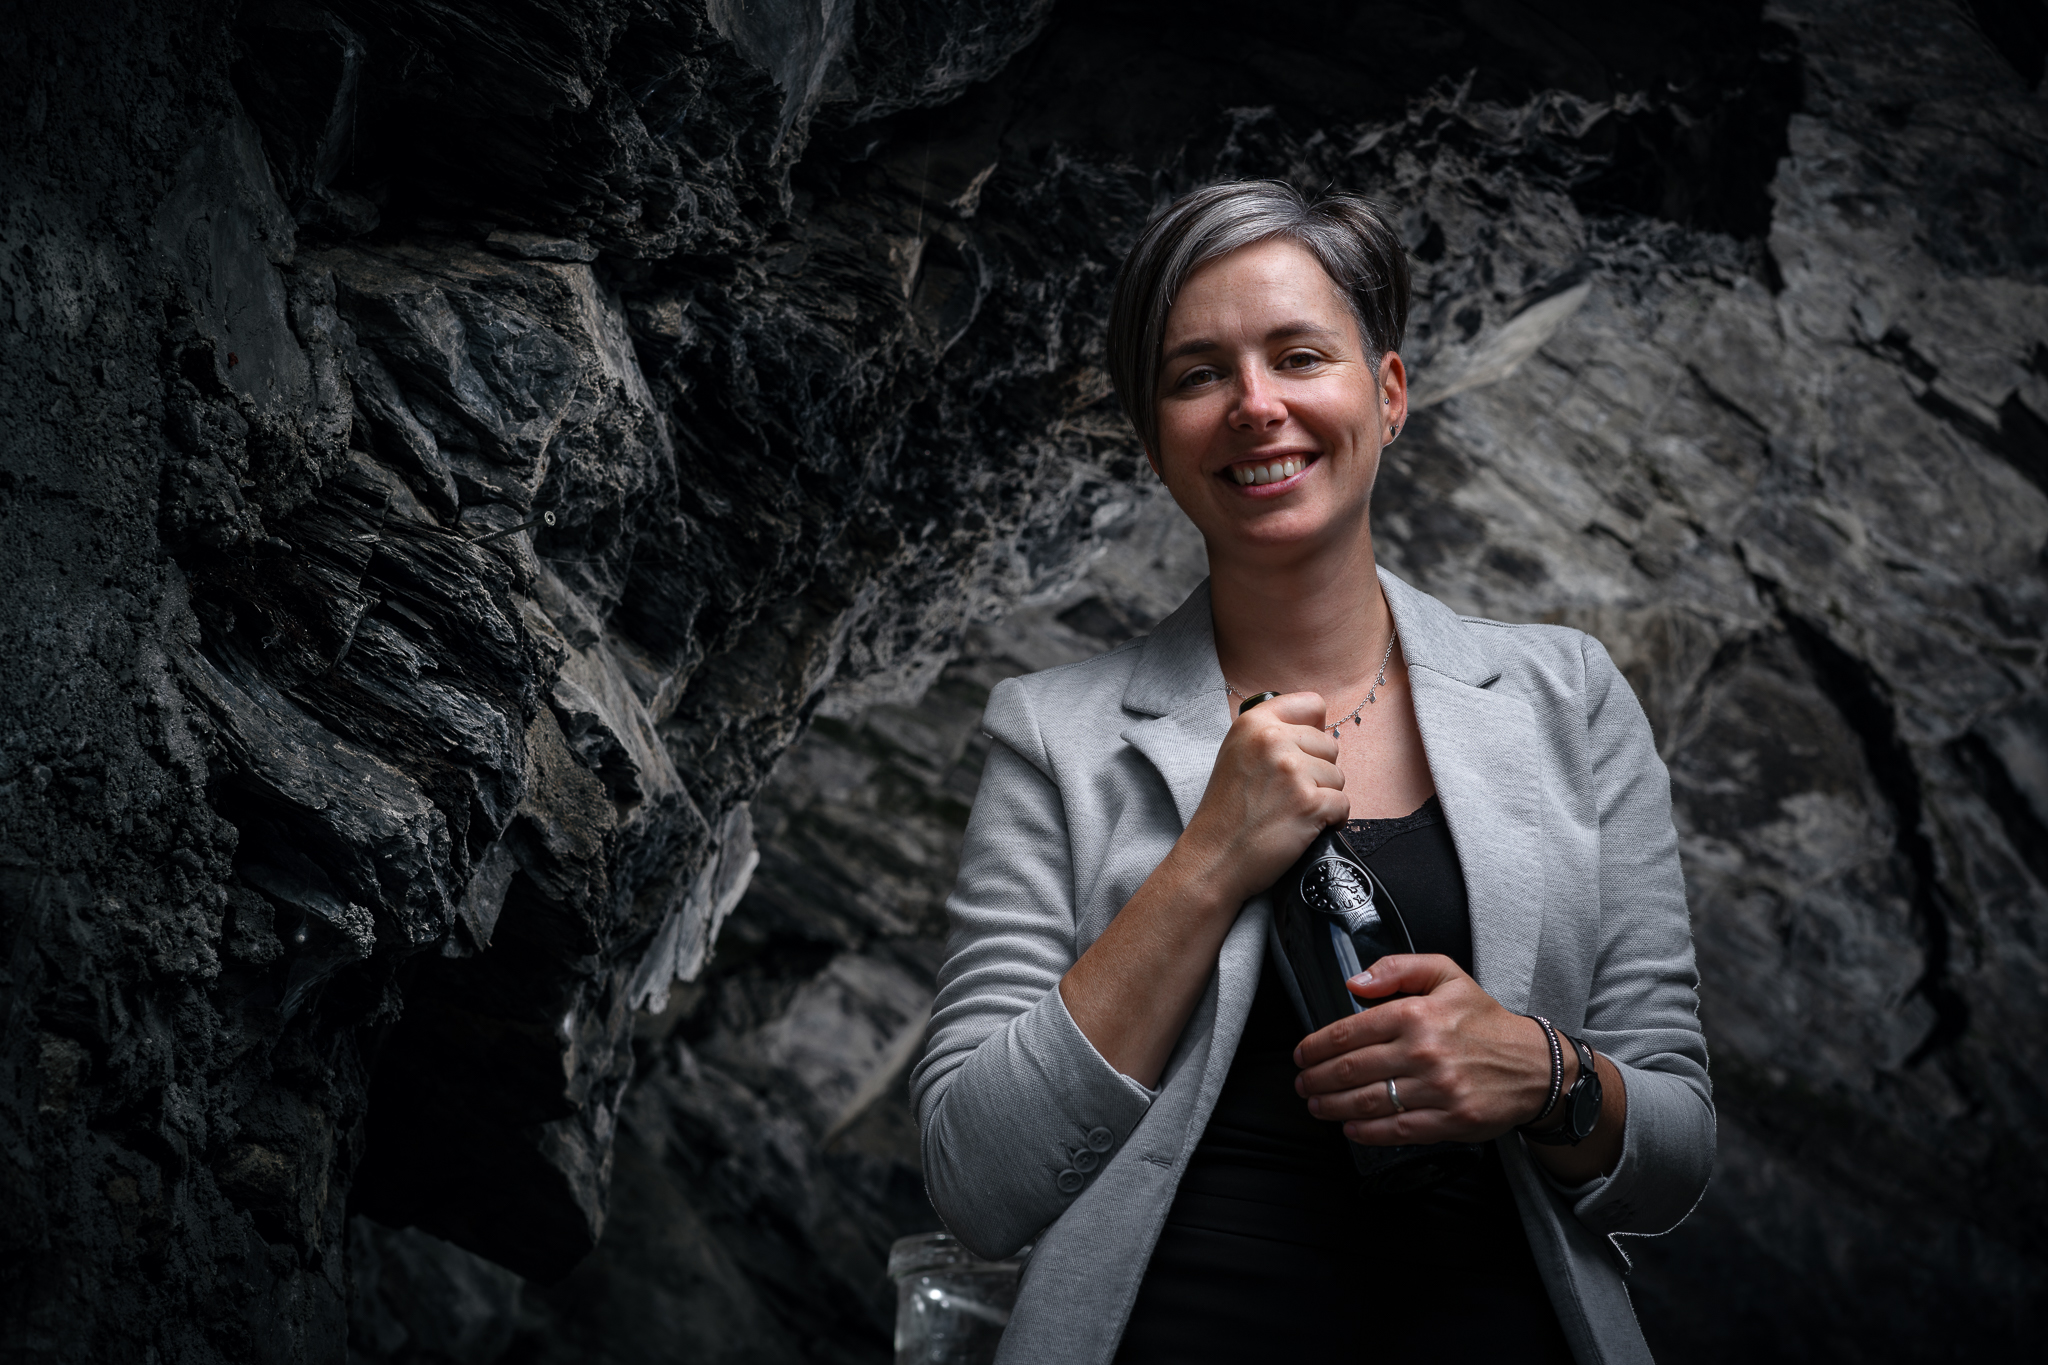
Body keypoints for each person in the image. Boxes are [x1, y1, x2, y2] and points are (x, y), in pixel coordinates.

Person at [909, 180, 1712, 1364]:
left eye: (1298, 355)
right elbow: (974, 1182)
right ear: (1152, 438)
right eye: (1195, 375)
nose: (1253, 406)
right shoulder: (1054, 736)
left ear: (1385, 394)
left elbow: (1675, 1156)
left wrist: (1540, 1073)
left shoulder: (1565, 698)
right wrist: (1203, 867)